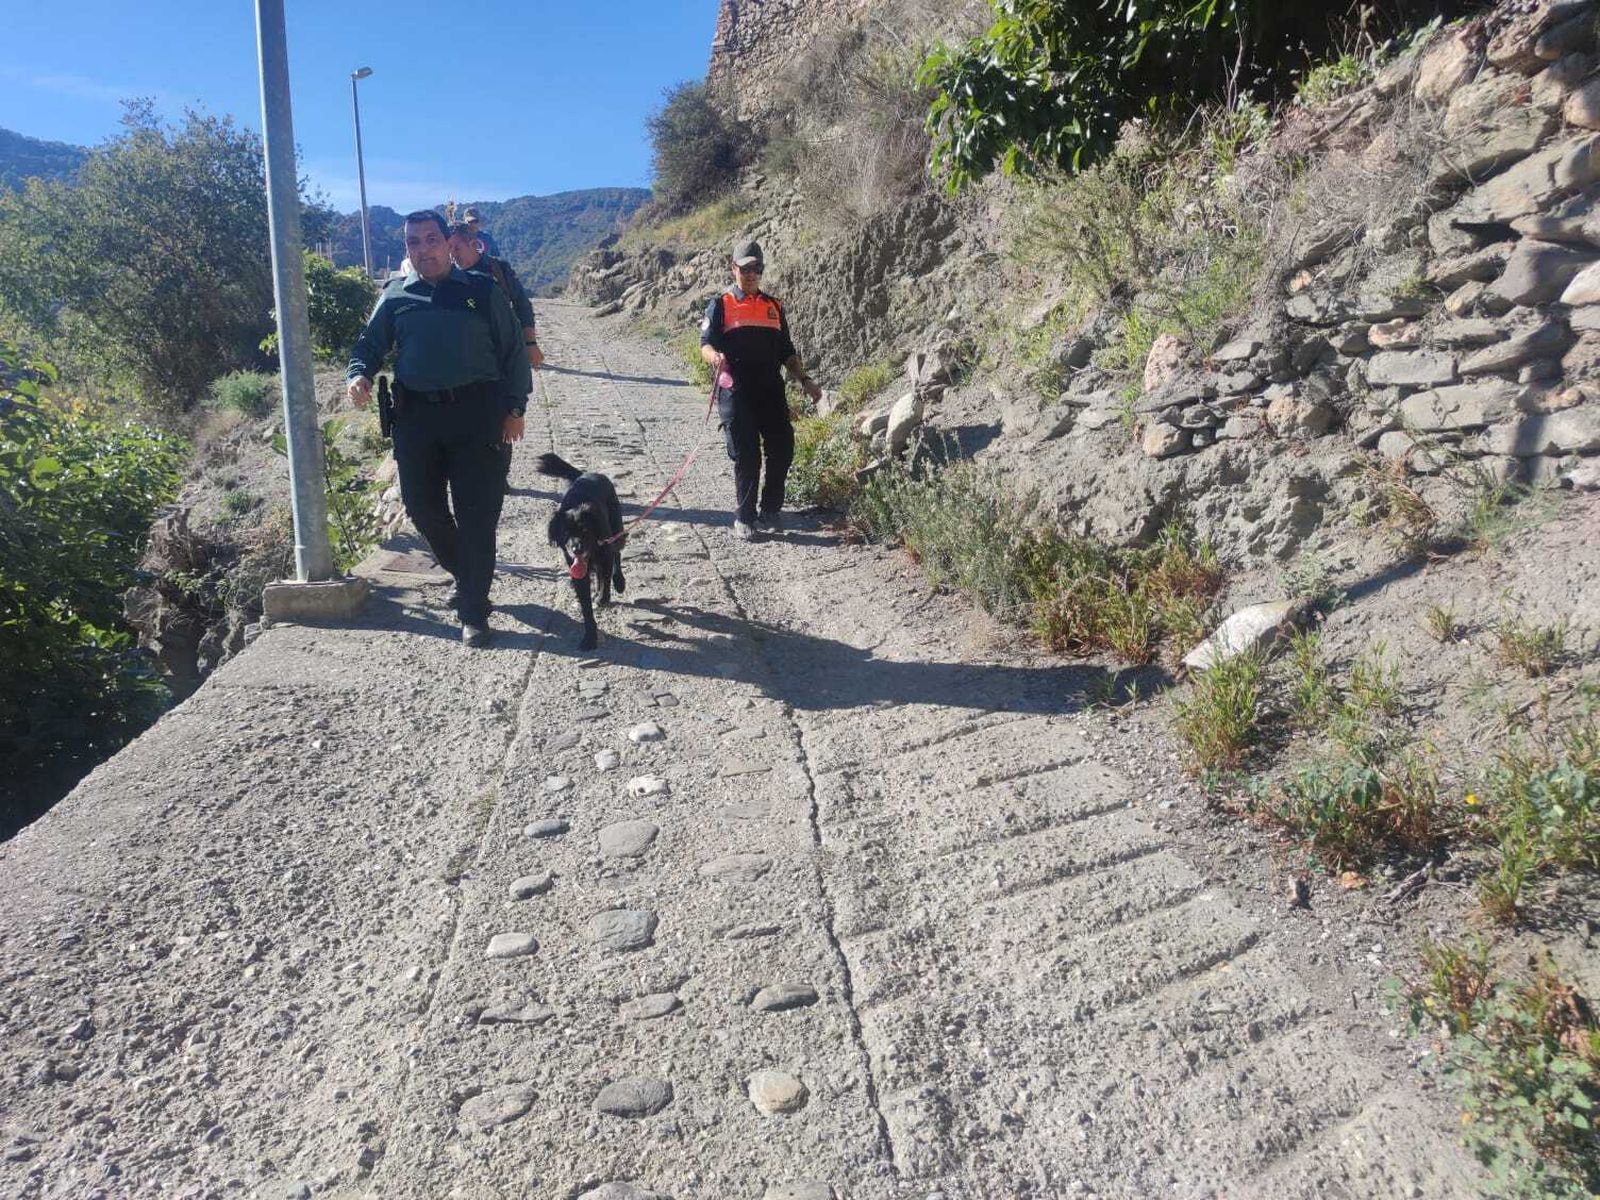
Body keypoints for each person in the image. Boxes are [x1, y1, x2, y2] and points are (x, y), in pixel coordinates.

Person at [346, 209, 531, 647]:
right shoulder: (396, 295)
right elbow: (369, 345)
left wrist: (515, 407)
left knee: (477, 516)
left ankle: (473, 610)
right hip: (417, 420)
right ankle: (469, 576)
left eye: (431, 239)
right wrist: (359, 374)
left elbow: (513, 352)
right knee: (421, 507)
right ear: (407, 249)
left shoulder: (481, 290)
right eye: (414, 242)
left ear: (449, 244)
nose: (423, 249)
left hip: (479, 415)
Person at [699, 238, 822, 540]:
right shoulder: (721, 305)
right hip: (736, 390)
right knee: (747, 454)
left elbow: (787, 351)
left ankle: (770, 509)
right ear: (733, 269)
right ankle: (745, 517)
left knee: (783, 447)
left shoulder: (774, 306)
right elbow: (705, 344)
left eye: (757, 268)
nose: (752, 274)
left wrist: (805, 380)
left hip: (770, 390)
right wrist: (715, 358)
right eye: (745, 268)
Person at [449, 220, 541, 492]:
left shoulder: (498, 270)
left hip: (502, 356)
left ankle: (499, 476)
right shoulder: (448, 278)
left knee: (503, 416)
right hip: (467, 363)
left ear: (472, 243)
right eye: (448, 249)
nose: (453, 255)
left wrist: (530, 343)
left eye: (456, 247)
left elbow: (522, 305)